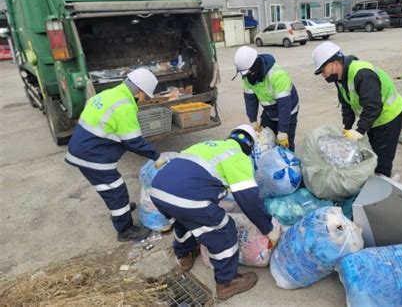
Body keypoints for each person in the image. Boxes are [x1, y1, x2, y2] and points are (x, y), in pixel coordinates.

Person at [149, 125, 281, 300]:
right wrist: (267, 227)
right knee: (224, 230)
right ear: (249, 147)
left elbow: (196, 175)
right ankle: (227, 282)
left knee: (184, 219)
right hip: (185, 196)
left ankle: (185, 256)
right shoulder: (238, 157)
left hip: (158, 190)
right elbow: (249, 199)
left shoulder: (209, 145)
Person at [65, 68, 162, 242]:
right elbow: (134, 142)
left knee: (113, 189)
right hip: (92, 156)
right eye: (145, 96)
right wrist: (156, 156)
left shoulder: (109, 94)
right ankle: (125, 229)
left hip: (83, 147)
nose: (143, 100)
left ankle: (122, 210)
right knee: (116, 191)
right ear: (139, 91)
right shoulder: (124, 106)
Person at [312, 41, 402, 178]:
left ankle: (383, 184)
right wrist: (347, 127)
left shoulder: (362, 74)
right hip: (374, 118)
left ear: (334, 63)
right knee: (371, 153)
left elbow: (373, 106)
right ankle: (375, 182)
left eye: (323, 70)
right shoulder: (340, 78)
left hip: (388, 117)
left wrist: (360, 130)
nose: (322, 74)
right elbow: (346, 104)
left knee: (382, 157)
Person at [233, 46, 299, 151]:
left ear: (255, 65)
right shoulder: (248, 77)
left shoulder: (278, 75)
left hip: (288, 112)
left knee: (285, 145)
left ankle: (289, 163)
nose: (247, 77)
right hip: (269, 112)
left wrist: (282, 131)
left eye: (248, 72)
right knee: (264, 141)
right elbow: (250, 100)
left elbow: (284, 106)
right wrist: (253, 121)